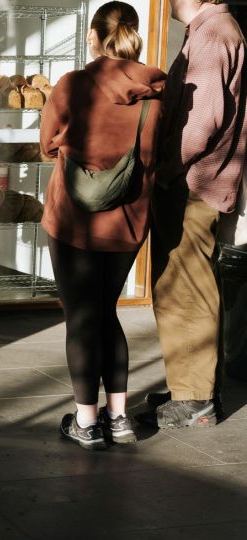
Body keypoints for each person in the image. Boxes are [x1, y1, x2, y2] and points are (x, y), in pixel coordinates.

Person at [38, 2, 164, 449]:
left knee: (81, 317)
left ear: (94, 35)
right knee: (107, 313)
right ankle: (120, 418)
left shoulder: (73, 85)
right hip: (128, 224)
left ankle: (86, 422)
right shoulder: (155, 94)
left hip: (73, 221)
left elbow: (47, 145)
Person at [142, 0, 247, 429]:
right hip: (194, 183)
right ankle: (189, 385)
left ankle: (197, 398)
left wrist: (165, 170)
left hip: (193, 185)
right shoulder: (211, 29)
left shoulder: (214, 33)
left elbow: (201, 120)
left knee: (188, 289)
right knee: (177, 287)